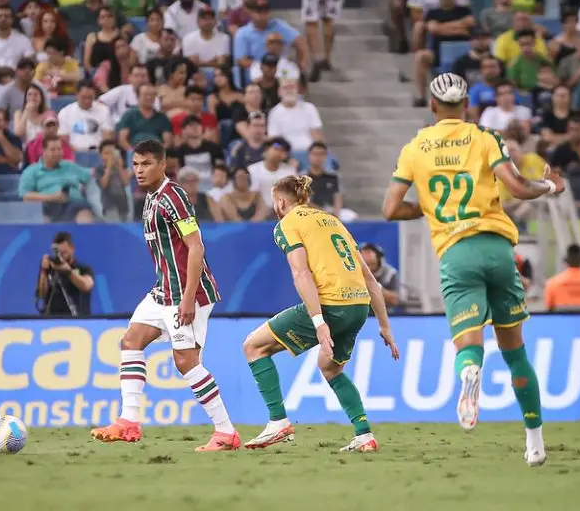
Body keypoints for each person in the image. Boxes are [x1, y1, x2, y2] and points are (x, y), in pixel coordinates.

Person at [382, 73, 566, 467]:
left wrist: (427, 208)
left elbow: (391, 208)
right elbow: (517, 187)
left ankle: (470, 375)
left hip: (456, 253)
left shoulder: (414, 148)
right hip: (497, 248)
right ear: (466, 106)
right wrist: (551, 187)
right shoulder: (485, 137)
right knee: (516, 352)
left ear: (432, 105)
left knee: (468, 346)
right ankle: (534, 443)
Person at [90, 139, 241, 452]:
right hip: (162, 290)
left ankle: (226, 432)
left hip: (187, 292)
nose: (140, 171)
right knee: (131, 341)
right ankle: (129, 422)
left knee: (186, 362)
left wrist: (187, 298)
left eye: (146, 164)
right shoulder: (150, 198)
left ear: (162, 165)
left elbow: (196, 246)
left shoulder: (174, 196)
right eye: (135, 164)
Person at [242, 175, 399, 451]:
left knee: (254, 347)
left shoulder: (287, 223)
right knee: (330, 367)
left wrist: (318, 322)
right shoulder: (332, 221)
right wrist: (385, 325)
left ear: (280, 202)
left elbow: (301, 272)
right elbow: (370, 279)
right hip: (359, 306)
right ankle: (364, 435)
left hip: (331, 304)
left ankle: (277, 422)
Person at [37, 231, 95, 316]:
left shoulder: (83, 269)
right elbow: (41, 294)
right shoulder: (50, 269)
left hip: (77, 321)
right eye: (58, 253)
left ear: (72, 249)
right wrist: (43, 271)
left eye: (64, 253)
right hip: (52, 321)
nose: (61, 256)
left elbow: (87, 286)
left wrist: (68, 272)